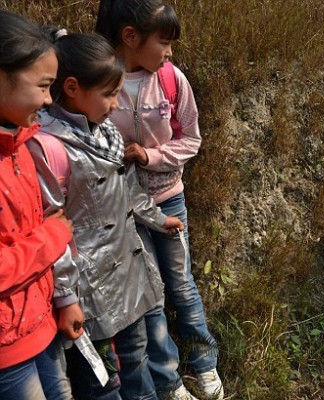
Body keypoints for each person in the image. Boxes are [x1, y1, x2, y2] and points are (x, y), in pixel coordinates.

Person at [28, 32, 195, 400]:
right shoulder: (48, 146)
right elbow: (50, 230)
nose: (116, 103)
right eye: (108, 94)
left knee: (136, 358)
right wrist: (65, 296)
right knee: (102, 381)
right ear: (71, 88)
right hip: (90, 286)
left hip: (126, 271)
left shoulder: (104, 130)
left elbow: (128, 188)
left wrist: (156, 218)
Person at [95, 1, 224, 399]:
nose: (169, 53)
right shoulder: (99, 82)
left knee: (181, 284)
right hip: (125, 212)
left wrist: (149, 156)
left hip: (168, 201)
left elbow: (192, 140)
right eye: (164, 43)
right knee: (148, 296)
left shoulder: (171, 80)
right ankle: (168, 381)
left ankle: (204, 365)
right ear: (130, 38)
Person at [0, 11, 75, 400]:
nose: (49, 100)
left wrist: (62, 300)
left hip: (38, 325)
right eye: (44, 86)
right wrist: (55, 236)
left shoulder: (19, 144)